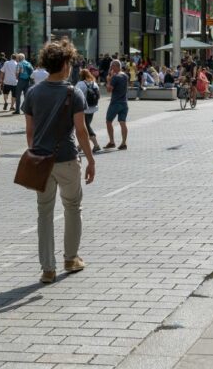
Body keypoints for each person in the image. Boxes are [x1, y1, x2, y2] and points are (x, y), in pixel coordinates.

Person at [23, 40, 96, 284]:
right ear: (65, 64)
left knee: (44, 212)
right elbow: (81, 130)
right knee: (72, 206)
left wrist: (35, 153)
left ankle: (47, 268)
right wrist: (90, 159)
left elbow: (30, 132)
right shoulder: (72, 92)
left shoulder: (33, 92)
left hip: (41, 160)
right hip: (66, 157)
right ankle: (71, 258)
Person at [75, 69, 102, 153]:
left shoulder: (80, 84)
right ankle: (80, 146)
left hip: (84, 109)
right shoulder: (94, 83)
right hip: (93, 108)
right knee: (86, 126)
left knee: (86, 127)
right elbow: (99, 95)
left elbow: (74, 94)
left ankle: (96, 145)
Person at [105, 59, 129, 150]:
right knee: (122, 122)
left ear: (116, 66)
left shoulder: (115, 77)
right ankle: (124, 143)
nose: (111, 68)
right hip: (124, 102)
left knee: (108, 121)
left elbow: (109, 90)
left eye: (112, 66)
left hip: (115, 102)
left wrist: (108, 80)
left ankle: (112, 141)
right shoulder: (125, 76)